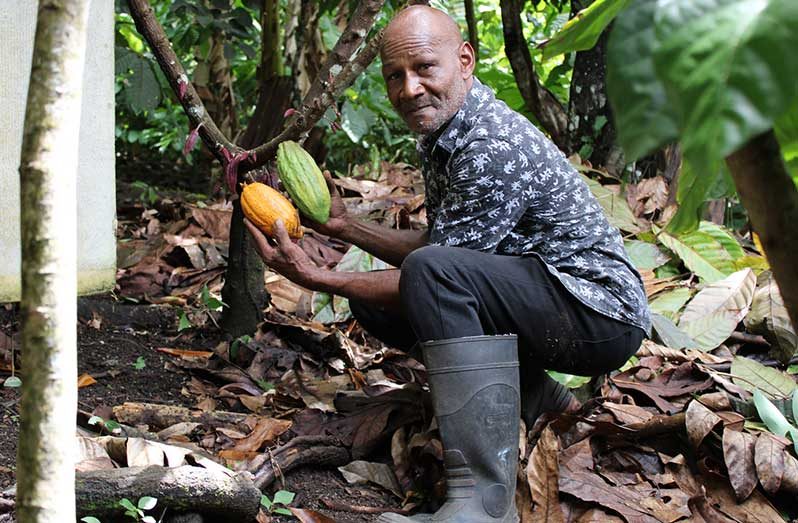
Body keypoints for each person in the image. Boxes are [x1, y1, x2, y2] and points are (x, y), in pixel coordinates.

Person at [244, 5, 651, 522]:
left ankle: (482, 503)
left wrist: (319, 276)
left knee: (414, 280)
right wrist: (344, 227)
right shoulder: (447, 130)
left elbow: (437, 271)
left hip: (598, 312)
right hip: (555, 298)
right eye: (396, 75)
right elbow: (444, 246)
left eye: (424, 69)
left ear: (465, 60)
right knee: (380, 304)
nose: (409, 88)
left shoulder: (487, 144)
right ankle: (538, 396)